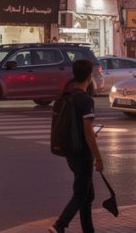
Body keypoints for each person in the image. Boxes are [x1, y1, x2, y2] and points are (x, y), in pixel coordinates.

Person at [48, 59, 104, 233]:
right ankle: (60, 225)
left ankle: (88, 230)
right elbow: (88, 131)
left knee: (87, 195)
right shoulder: (86, 100)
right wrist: (98, 157)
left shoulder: (67, 95)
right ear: (89, 77)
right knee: (81, 194)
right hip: (82, 153)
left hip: (69, 150)